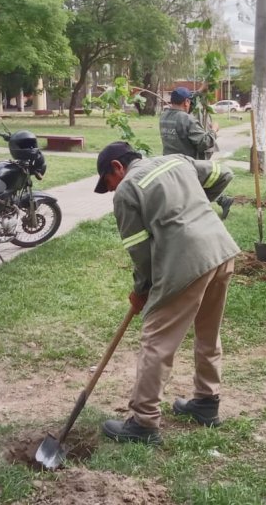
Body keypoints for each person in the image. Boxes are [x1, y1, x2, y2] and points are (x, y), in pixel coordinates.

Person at [95, 141, 240, 445]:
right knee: (208, 332)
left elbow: (140, 253)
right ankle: (206, 402)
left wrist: (141, 291)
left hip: (186, 262)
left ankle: (143, 423)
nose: (111, 190)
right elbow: (223, 173)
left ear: (117, 168)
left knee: (156, 340)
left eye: (108, 183)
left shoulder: (127, 189)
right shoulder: (177, 161)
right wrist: (196, 210)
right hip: (222, 251)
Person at [159, 87, 235, 219]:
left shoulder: (164, 117)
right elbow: (204, 143)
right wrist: (214, 130)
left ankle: (223, 201)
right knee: (214, 179)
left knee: (187, 191)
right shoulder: (187, 120)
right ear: (186, 102)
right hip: (187, 165)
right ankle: (210, 206)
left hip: (169, 163)